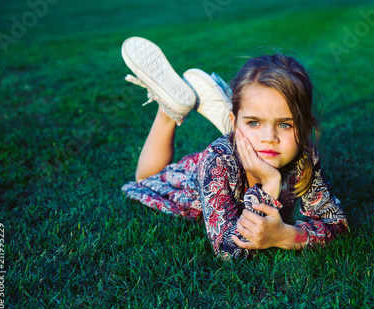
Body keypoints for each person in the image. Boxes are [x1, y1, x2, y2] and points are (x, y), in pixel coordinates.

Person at [121, 37, 348, 259]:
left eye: (285, 124)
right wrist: (269, 184)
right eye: (254, 122)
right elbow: (228, 249)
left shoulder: (304, 157)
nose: (270, 138)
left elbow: (336, 223)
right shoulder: (217, 161)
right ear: (234, 121)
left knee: (249, 144)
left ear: (306, 127)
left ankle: (244, 120)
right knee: (145, 179)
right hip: (187, 182)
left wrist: (285, 236)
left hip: (231, 157)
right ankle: (168, 110)